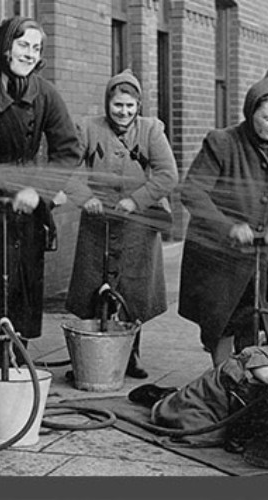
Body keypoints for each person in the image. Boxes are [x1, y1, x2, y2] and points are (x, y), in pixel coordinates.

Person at [0, 16, 80, 415]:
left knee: (18, 301)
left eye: (37, 49)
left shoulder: (46, 96)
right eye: (23, 46)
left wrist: (37, 189)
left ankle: (13, 385)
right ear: (6, 46)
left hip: (24, 216)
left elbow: (68, 152)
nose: (30, 55)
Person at [178, 70, 268, 367]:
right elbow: (192, 192)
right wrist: (228, 228)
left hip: (262, 255)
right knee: (221, 322)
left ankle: (251, 379)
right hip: (218, 253)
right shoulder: (222, 143)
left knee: (260, 323)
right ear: (251, 111)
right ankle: (222, 380)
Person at [64, 69, 178, 379]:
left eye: (130, 106)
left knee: (134, 288)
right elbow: (68, 168)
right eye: (118, 105)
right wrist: (85, 196)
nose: (124, 112)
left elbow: (167, 174)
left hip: (137, 224)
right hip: (98, 221)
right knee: (92, 283)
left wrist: (137, 200)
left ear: (138, 106)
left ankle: (131, 353)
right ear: (107, 104)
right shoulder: (88, 129)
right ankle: (89, 353)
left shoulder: (152, 131)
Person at [129, 313, 268, 448]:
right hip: (221, 391)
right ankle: (164, 399)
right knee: (201, 437)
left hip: (246, 408)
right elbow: (249, 355)